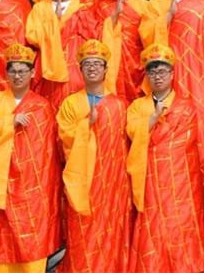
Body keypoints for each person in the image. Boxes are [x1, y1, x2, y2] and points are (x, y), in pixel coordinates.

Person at [139, 0, 204, 242]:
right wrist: (167, 19)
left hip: (197, 88)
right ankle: (165, 235)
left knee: (199, 157)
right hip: (164, 87)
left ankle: (201, 233)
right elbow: (145, 45)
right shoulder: (154, 5)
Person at [0, 43, 62, 272]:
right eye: (13, 70)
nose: (17, 75)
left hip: (31, 190)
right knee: (2, 244)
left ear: (32, 73)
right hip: (1, 186)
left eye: (23, 70)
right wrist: (8, 123)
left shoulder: (42, 107)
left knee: (31, 241)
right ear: (6, 74)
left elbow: (47, 155)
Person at [125, 44, 204, 273]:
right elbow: (131, 132)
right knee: (152, 224)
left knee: (178, 224)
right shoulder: (137, 106)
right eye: (152, 72)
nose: (157, 76)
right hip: (148, 176)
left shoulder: (185, 107)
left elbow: (185, 143)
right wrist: (152, 120)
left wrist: (152, 140)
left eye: (162, 71)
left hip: (179, 179)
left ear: (172, 74)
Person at [56, 39, 132, 273]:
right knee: (82, 233)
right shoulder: (70, 104)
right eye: (87, 64)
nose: (92, 68)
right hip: (83, 182)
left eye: (97, 64)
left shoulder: (120, 105)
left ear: (106, 69)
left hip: (113, 185)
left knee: (112, 233)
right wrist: (85, 127)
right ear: (80, 70)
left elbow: (128, 146)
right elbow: (63, 142)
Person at [26, 0, 95, 107]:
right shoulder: (40, 8)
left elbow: (91, 40)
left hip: (76, 72)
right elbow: (32, 37)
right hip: (47, 73)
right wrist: (54, 21)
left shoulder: (83, 10)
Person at [88, 0, 155, 103]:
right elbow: (95, 38)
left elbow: (151, 39)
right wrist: (113, 18)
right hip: (112, 65)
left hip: (137, 65)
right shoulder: (102, 7)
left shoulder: (145, 6)